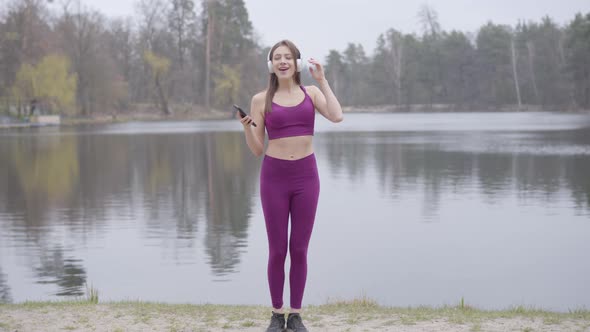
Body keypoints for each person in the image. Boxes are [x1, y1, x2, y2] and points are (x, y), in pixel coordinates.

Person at [238, 40, 343, 332]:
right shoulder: (261, 100)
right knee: (277, 250)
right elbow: (258, 149)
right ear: (271, 65)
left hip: (306, 178)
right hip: (274, 178)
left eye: (288, 57)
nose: (283, 61)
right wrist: (247, 127)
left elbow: (337, 116)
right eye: (277, 58)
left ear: (296, 63)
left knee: (299, 249)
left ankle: (295, 315)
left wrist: (322, 80)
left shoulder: (311, 93)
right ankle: (276, 314)